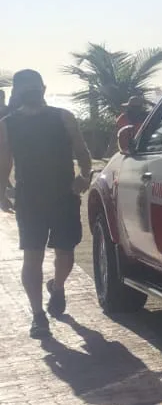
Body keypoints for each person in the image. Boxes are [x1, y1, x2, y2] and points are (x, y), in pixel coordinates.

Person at [0, 69, 95, 339]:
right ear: (18, 92)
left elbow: (83, 153)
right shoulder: (7, 124)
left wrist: (84, 176)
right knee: (32, 256)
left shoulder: (63, 117)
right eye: (25, 88)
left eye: (35, 87)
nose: (31, 91)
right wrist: (2, 192)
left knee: (65, 254)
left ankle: (58, 286)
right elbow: (4, 161)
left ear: (43, 88)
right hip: (29, 199)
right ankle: (38, 315)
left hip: (64, 197)